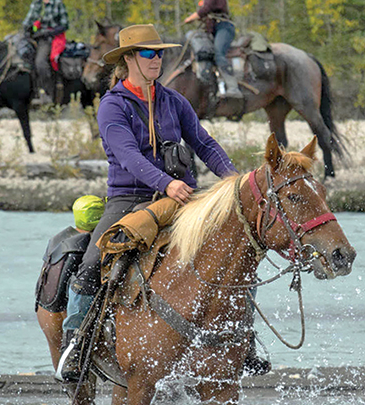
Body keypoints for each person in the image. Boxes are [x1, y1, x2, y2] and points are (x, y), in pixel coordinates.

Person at [57, 23, 268, 383]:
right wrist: (165, 183)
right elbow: (127, 157)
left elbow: (204, 144)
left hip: (184, 196)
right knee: (93, 261)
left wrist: (233, 182)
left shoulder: (174, 100)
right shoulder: (112, 106)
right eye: (149, 54)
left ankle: (243, 339)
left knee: (235, 250)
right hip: (130, 198)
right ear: (129, 60)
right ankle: (76, 342)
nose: (158, 60)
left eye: (160, 53)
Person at [35, 195, 104, 369]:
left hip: (47, 304)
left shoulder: (57, 242)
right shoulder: (91, 246)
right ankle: (74, 339)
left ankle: (70, 350)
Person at [183, 0, 243, 99]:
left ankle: (233, 87)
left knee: (218, 53)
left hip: (223, 27)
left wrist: (191, 17)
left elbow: (207, 8)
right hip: (214, 29)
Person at [22, 0, 69, 104]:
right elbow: (27, 23)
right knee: (20, 57)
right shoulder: (35, 4)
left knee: (40, 62)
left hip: (50, 39)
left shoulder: (58, 3)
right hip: (35, 37)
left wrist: (48, 33)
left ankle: (46, 93)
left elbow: (64, 24)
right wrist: (29, 31)